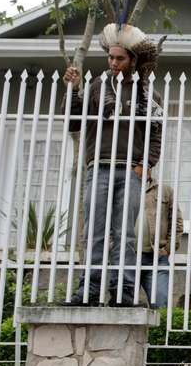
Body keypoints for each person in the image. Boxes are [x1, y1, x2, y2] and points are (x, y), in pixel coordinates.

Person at [64, 23, 163, 306]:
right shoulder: (98, 85)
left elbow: (156, 133)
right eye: (111, 57)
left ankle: (123, 290)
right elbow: (74, 121)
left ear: (133, 60)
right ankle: (90, 290)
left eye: (120, 58)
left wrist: (146, 164)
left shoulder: (148, 94)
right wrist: (72, 90)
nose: (114, 62)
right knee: (94, 231)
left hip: (130, 170)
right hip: (99, 167)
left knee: (126, 235)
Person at [136, 167, 183, 308]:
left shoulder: (165, 190)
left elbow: (177, 222)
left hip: (156, 257)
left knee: (161, 304)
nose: (142, 168)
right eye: (138, 164)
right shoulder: (122, 189)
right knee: (124, 304)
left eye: (146, 164)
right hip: (128, 256)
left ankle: (160, 331)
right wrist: (112, 245)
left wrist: (168, 248)